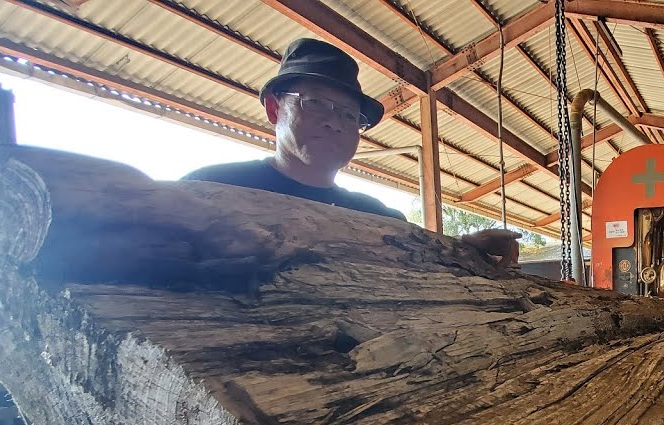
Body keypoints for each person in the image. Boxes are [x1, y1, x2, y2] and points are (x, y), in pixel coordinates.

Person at [184, 38, 519, 267]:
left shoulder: (380, 218)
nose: (334, 122)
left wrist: (469, 250)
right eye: (315, 102)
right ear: (274, 109)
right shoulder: (210, 191)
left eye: (349, 115)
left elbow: (426, 264)